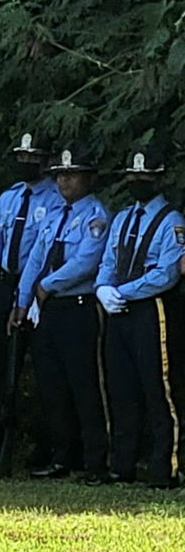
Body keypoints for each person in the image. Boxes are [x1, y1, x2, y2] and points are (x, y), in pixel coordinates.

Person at [11, 145, 110, 481]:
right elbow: (35, 259)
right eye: (61, 175)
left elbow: (85, 262)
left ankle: (95, 460)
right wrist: (22, 299)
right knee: (52, 385)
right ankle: (61, 456)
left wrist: (47, 285)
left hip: (77, 307)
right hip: (47, 310)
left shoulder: (96, 216)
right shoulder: (54, 215)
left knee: (84, 384)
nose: (65, 181)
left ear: (88, 178)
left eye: (72, 175)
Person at [0, 133, 58, 466]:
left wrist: (29, 294)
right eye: (22, 156)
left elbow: (46, 253)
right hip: (6, 287)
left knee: (44, 370)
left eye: (33, 158)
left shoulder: (57, 200)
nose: (26, 163)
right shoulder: (9, 198)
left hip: (41, 291)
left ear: (46, 161)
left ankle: (45, 447)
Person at [96, 146, 184, 488]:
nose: (137, 182)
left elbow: (166, 274)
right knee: (121, 387)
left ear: (159, 180)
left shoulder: (172, 222)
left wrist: (124, 291)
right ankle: (122, 464)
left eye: (144, 177)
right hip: (117, 309)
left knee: (158, 387)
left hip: (151, 309)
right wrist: (103, 288)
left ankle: (165, 467)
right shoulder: (122, 218)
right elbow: (108, 260)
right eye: (133, 176)